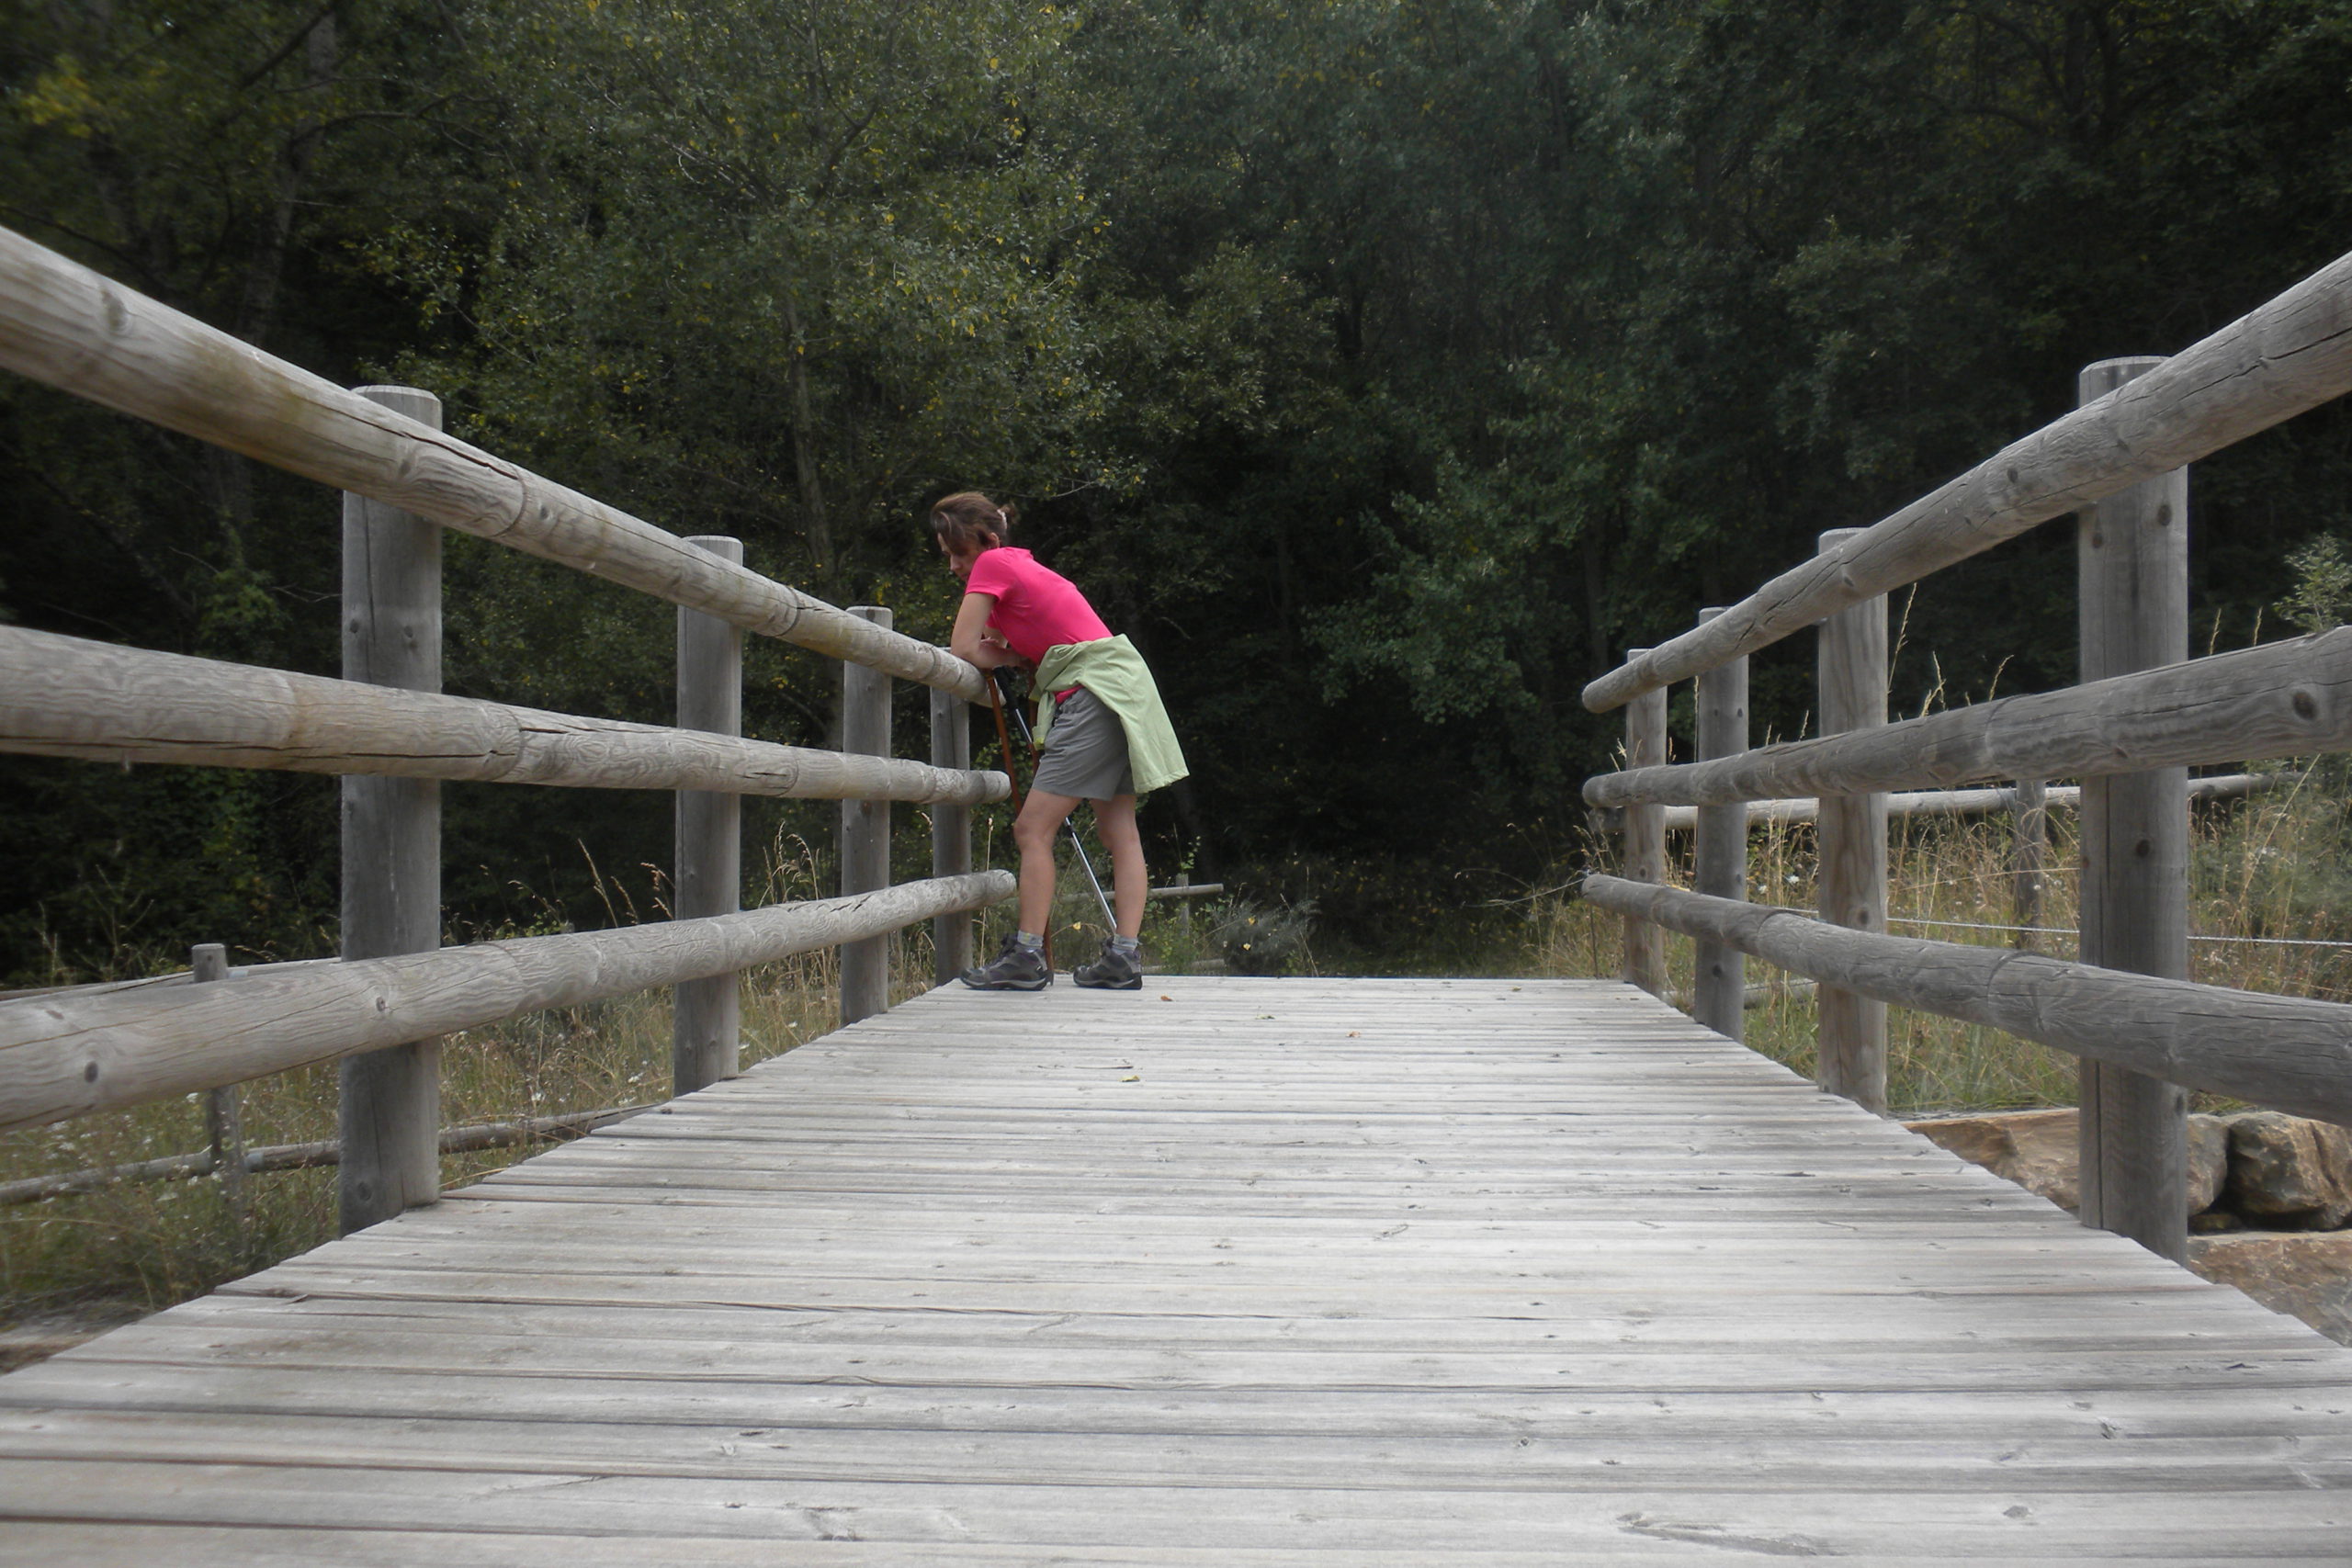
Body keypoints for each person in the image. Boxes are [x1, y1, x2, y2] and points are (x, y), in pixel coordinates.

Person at [931, 491, 1186, 990]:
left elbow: (964, 647)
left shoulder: (995, 564)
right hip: (1122, 687)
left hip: (1091, 694)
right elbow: (1005, 640)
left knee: (1032, 829)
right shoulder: (1019, 567)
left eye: (960, 553)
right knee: (1120, 832)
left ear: (988, 540)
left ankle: (1026, 956)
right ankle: (1123, 957)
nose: (957, 566)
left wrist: (1005, 657)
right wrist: (1011, 651)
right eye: (949, 557)